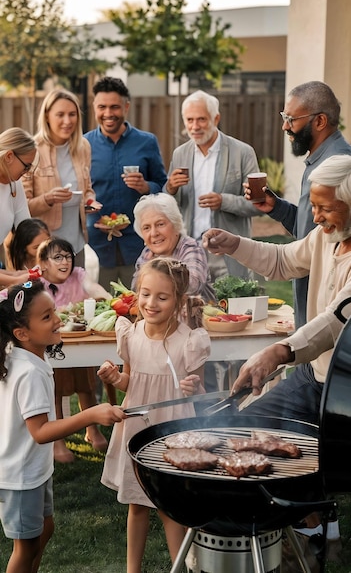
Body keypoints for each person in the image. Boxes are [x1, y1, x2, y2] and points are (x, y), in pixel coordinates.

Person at [203, 154, 351, 425]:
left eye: (325, 208)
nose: (316, 218)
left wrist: (278, 352)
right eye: (314, 207)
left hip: (345, 388)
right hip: (313, 376)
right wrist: (234, 244)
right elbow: (284, 260)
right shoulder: (326, 236)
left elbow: (335, 323)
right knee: (243, 430)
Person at [0, 279, 126, 573]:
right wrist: (91, 415)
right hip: (19, 477)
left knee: (45, 528)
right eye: (47, 317)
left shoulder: (27, 358)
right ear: (22, 332)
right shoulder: (28, 372)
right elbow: (40, 432)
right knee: (26, 545)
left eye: (54, 311)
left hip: (33, 470)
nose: (58, 320)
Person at [98, 257, 211, 573]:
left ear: (178, 301)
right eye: (145, 294)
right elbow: (129, 383)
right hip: (137, 427)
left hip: (173, 431)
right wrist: (114, 378)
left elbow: (199, 395)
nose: (151, 302)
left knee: (171, 507)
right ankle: (132, 569)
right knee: (136, 504)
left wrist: (194, 388)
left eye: (162, 297)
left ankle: (180, 567)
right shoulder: (131, 334)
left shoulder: (189, 341)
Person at [246, 81, 351, 329]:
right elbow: (313, 231)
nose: (285, 126)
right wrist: (276, 207)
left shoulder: (338, 165)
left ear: (320, 121)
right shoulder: (317, 159)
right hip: (307, 290)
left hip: (328, 300)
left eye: (291, 119)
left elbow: (338, 234)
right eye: (284, 117)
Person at [163, 89, 262, 283]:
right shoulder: (180, 154)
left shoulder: (243, 153)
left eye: (201, 119)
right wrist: (170, 189)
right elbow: (169, 206)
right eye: (189, 120)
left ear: (216, 119)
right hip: (190, 254)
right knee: (192, 311)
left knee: (232, 310)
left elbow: (257, 204)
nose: (194, 126)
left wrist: (223, 201)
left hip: (228, 255)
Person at [84, 77, 168, 292]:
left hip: (138, 244)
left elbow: (163, 185)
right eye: (102, 107)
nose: (108, 113)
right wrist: (87, 203)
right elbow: (79, 191)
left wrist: (145, 187)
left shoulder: (146, 142)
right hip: (96, 246)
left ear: (126, 107)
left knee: (140, 307)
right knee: (100, 312)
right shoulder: (84, 145)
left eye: (114, 107)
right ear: (94, 107)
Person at [37, 237, 112, 462]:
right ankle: (58, 440)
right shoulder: (37, 282)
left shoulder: (78, 274)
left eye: (68, 256)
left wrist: (105, 297)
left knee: (86, 385)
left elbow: (92, 286)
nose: (65, 262)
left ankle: (92, 430)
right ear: (43, 263)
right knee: (56, 391)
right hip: (53, 346)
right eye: (57, 257)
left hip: (80, 341)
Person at [22, 88, 101, 268]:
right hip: (44, 248)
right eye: (60, 114)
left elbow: (87, 188)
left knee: (76, 295)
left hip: (76, 244)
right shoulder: (31, 151)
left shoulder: (83, 147)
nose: (67, 121)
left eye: (72, 114)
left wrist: (90, 201)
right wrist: (48, 199)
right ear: (47, 116)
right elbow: (22, 207)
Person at [132, 193, 216, 303]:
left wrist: (157, 273)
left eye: (160, 224)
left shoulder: (190, 247)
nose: (153, 233)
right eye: (146, 227)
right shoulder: (147, 253)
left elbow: (192, 286)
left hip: (197, 316)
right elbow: (135, 290)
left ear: (176, 225)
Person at [0, 127, 38, 287]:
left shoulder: (14, 184)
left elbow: (26, 229)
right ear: (9, 156)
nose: (27, 172)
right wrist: (16, 278)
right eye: (26, 166)